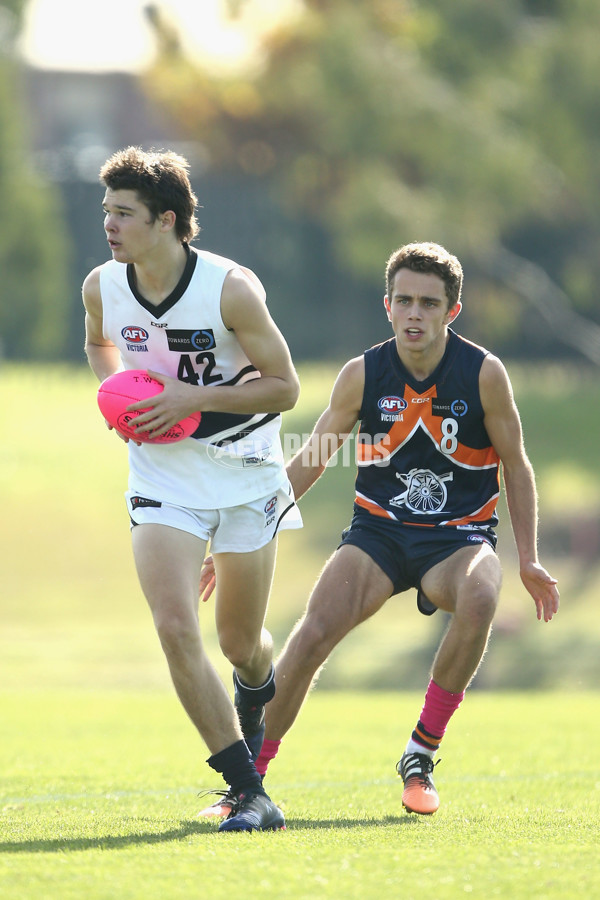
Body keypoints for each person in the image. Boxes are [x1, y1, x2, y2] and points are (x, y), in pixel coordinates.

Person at [199, 240, 559, 817]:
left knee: (483, 592)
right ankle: (249, 782)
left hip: (459, 539)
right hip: (379, 535)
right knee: (311, 634)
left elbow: (515, 464)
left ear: (451, 311)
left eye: (429, 303)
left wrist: (531, 558)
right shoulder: (362, 374)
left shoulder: (484, 374)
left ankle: (421, 751)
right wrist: (245, 533)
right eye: (404, 301)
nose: (415, 313)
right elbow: (312, 458)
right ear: (386, 306)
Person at [82, 146, 302, 832]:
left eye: (124, 213)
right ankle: (249, 790)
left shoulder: (230, 288)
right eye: (106, 211)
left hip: (244, 475)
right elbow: (98, 343)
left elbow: (286, 388)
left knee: (241, 645)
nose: (110, 225)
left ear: (168, 220)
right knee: (176, 626)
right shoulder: (102, 286)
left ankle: (257, 686)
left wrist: (187, 399)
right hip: (162, 480)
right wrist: (116, 399)